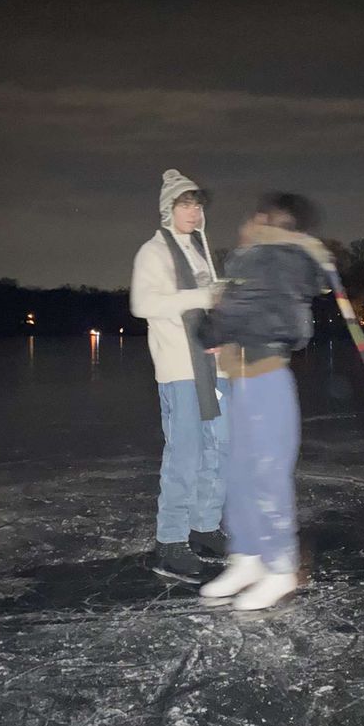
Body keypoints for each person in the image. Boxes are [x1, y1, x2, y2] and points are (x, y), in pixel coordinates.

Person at [197, 192, 329, 610]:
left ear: (266, 219)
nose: (246, 223)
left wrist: (210, 327)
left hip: (264, 378)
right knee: (238, 472)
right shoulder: (275, 256)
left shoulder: (266, 256)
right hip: (246, 375)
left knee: (265, 473)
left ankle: (279, 567)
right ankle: (247, 556)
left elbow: (240, 311)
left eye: (254, 217)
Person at [130, 169, 229, 581]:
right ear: (168, 210)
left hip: (214, 367)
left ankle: (204, 528)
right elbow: (142, 303)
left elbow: (210, 309)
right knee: (185, 453)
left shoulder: (201, 254)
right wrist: (206, 295)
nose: (193, 211)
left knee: (219, 449)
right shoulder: (154, 252)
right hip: (179, 368)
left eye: (197, 204)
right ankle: (169, 542)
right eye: (184, 204)